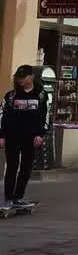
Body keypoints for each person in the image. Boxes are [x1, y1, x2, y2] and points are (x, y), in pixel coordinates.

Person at [0, 66, 49, 209]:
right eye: (18, 77)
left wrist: (41, 134)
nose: (20, 80)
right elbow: (3, 116)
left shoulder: (40, 95)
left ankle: (18, 196)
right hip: (12, 136)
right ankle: (9, 197)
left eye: (23, 77)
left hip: (31, 138)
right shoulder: (11, 96)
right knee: (11, 167)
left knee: (26, 168)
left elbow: (45, 116)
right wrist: (1, 135)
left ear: (32, 77)